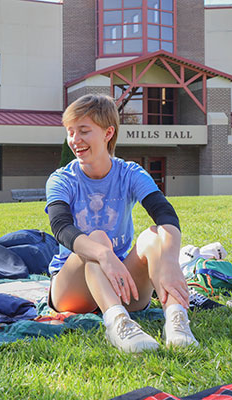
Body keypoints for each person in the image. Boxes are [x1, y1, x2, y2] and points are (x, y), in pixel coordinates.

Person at [45, 94, 198, 353]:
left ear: (108, 133)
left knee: (155, 236)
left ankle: (176, 320)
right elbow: (61, 228)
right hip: (71, 291)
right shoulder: (62, 179)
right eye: (70, 132)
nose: (74, 140)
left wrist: (171, 261)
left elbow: (165, 214)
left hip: (123, 285)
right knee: (97, 239)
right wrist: (104, 254)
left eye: (83, 131)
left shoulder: (130, 173)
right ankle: (117, 324)